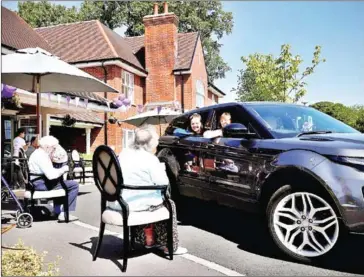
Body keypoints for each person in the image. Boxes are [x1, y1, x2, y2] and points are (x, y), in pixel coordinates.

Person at [109, 124, 187, 255]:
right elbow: (163, 183)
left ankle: (145, 240)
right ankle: (169, 246)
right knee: (168, 204)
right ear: (150, 143)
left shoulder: (124, 154)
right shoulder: (150, 159)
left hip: (117, 200)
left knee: (153, 200)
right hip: (134, 204)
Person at [28, 136, 79, 222]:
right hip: (41, 184)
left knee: (58, 183)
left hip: (35, 182)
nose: (54, 150)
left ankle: (56, 211)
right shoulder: (42, 156)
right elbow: (51, 175)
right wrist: (64, 169)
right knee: (73, 185)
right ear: (47, 147)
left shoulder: (37, 153)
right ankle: (65, 214)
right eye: (53, 147)